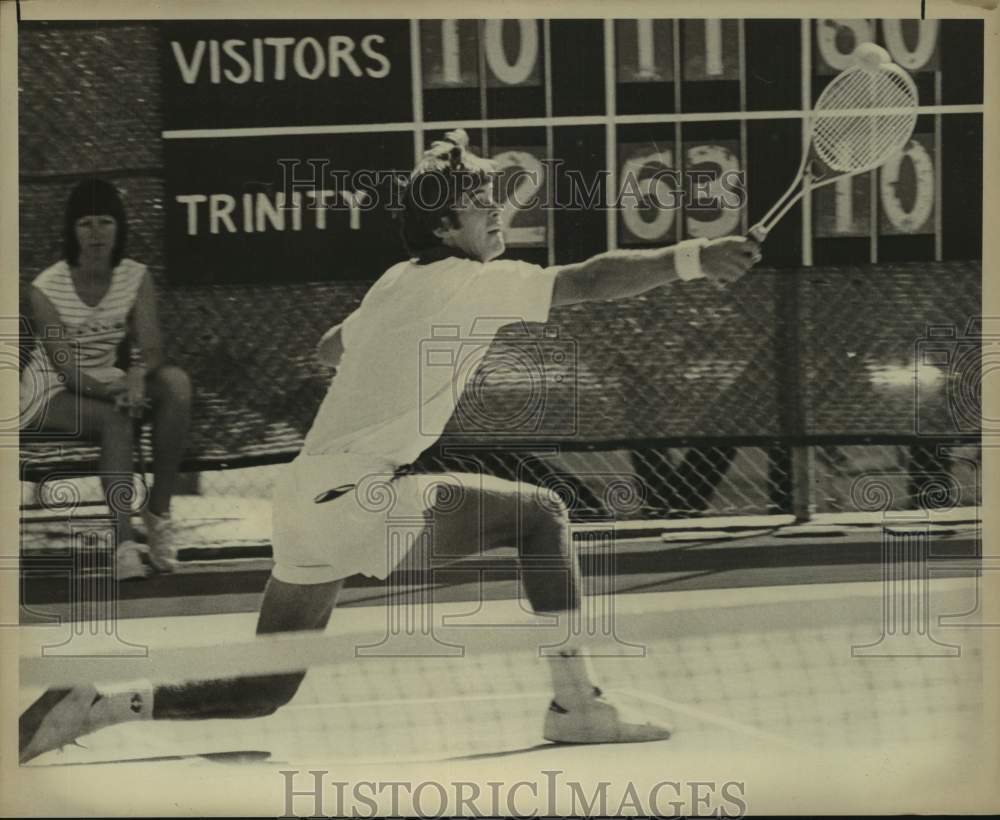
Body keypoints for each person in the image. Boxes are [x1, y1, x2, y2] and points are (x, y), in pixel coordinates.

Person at [19, 133, 759, 762]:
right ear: (445, 224)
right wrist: (693, 257)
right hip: (359, 497)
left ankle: (98, 706)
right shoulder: (473, 281)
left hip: (308, 499)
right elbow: (589, 279)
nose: (499, 206)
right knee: (541, 518)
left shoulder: (398, 280)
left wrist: (392, 352)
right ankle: (576, 707)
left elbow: (329, 346)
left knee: (268, 688)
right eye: (482, 197)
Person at [19, 178, 192, 581]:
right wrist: (118, 392)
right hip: (50, 392)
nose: (96, 233)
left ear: (119, 228)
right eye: (85, 224)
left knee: (176, 385)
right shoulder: (46, 287)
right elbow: (65, 370)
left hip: (109, 381)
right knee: (116, 417)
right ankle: (123, 544)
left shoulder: (135, 276)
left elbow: (150, 348)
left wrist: (134, 378)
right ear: (71, 232)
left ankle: (158, 516)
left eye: (105, 222)